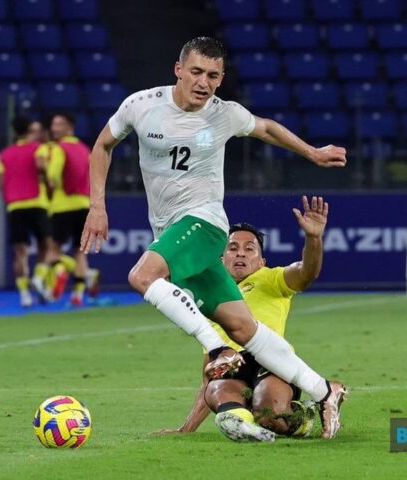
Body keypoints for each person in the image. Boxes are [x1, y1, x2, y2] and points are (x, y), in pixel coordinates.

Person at [80, 37, 347, 438]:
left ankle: (217, 349)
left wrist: (312, 153)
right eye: (197, 72)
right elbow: (102, 145)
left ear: (221, 79)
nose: (204, 83)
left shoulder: (225, 114)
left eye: (213, 76)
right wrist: (97, 205)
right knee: (243, 328)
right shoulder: (141, 105)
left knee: (142, 276)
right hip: (171, 230)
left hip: (204, 223)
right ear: (178, 70)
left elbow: (267, 128)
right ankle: (325, 390)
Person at [158, 196, 329, 441]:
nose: (241, 253)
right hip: (234, 370)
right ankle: (241, 421)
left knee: (270, 416)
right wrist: (186, 429)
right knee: (218, 390)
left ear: (261, 262)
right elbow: (208, 375)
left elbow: (306, 272)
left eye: (250, 249)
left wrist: (313, 239)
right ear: (220, 259)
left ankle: (300, 418)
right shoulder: (212, 301)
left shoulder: (271, 279)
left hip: (271, 364)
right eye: (233, 248)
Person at [0, 117, 52, 307]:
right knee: (46, 246)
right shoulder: (39, 148)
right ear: (30, 129)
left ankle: (24, 295)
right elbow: (41, 166)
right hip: (37, 203)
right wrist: (48, 182)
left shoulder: (4, 154)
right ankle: (38, 277)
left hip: (15, 206)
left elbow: (1, 183)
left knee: (20, 252)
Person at [41, 113, 92, 306]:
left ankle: (61, 269)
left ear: (69, 127)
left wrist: (51, 185)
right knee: (80, 251)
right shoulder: (85, 149)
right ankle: (78, 295)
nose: (54, 128)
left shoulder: (58, 148)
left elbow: (53, 174)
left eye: (59, 124)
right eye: (54, 124)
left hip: (62, 205)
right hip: (83, 204)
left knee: (54, 248)